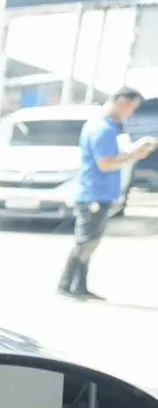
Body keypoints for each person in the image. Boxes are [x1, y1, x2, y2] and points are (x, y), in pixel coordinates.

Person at [58, 86, 157, 300]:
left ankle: (79, 286)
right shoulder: (102, 128)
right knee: (86, 241)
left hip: (101, 193)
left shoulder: (111, 127)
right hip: (93, 194)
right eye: (131, 108)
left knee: (90, 241)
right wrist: (134, 154)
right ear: (121, 101)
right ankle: (65, 285)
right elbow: (106, 163)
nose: (131, 113)